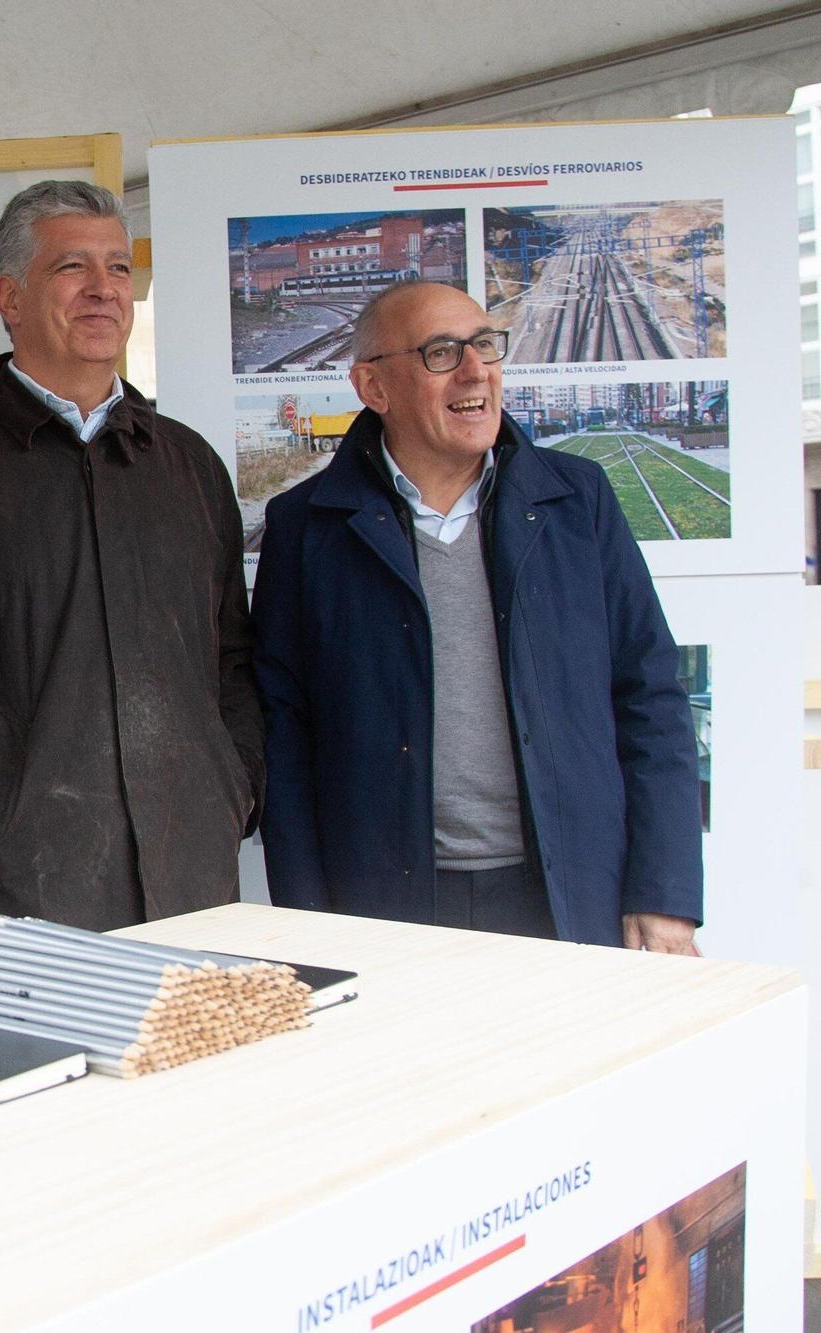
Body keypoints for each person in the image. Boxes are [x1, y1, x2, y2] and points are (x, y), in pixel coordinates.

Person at [0, 180, 265, 977]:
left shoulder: (187, 465)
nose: (104, 288)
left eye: (119, 267)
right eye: (72, 267)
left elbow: (230, 662)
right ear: (10, 298)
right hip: (4, 886)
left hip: (187, 876)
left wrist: (231, 790)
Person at [250, 280, 703, 950]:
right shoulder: (306, 526)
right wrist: (306, 915)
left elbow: (651, 697)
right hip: (383, 904)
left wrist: (662, 892)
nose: (475, 371)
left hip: (567, 891)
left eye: (485, 346)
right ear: (374, 387)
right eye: (441, 352)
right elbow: (284, 735)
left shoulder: (578, 502)